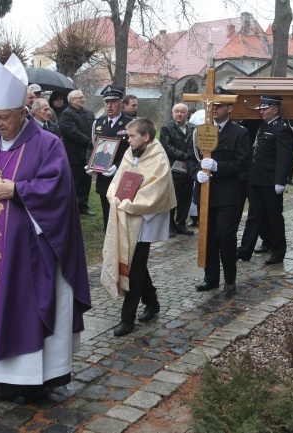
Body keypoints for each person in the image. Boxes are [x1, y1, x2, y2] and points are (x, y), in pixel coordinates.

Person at [0, 54, 91, 399]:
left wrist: (20, 191)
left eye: (3, 117)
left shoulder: (47, 144)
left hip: (31, 253)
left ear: (22, 113)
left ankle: (33, 380)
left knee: (24, 310)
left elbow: (59, 193)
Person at [100, 118, 176, 336]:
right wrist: (115, 196)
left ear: (146, 137)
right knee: (136, 262)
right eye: (128, 135)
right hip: (126, 211)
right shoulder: (129, 151)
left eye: (132, 136)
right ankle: (151, 301)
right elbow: (120, 178)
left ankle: (127, 318)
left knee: (136, 264)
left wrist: (131, 203)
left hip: (146, 216)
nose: (128, 139)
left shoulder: (158, 156)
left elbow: (157, 188)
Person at [189, 100, 249, 295]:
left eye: (219, 106)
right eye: (212, 106)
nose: (214, 109)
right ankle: (211, 278)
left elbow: (242, 164)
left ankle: (230, 279)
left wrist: (218, 166)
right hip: (205, 192)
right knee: (207, 237)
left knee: (225, 236)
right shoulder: (200, 132)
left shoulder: (240, 133)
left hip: (227, 195)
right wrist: (196, 172)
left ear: (230, 108)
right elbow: (191, 159)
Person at [238, 95, 293, 265]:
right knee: (254, 216)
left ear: (275, 110)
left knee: (274, 217)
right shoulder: (264, 125)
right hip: (256, 179)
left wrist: (280, 181)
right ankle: (245, 250)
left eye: (265, 108)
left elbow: (284, 157)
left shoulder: (282, 128)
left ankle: (278, 252)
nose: (261, 111)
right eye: (261, 108)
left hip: (270, 181)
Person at [91, 85, 134, 230]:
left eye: (113, 102)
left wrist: (118, 165)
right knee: (105, 204)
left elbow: (133, 150)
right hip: (104, 173)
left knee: (122, 206)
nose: (109, 105)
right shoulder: (98, 123)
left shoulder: (130, 123)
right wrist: (89, 163)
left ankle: (122, 236)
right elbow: (92, 146)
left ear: (121, 104)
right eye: (107, 102)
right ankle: (108, 236)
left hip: (122, 173)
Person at [160, 103, 196, 236]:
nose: (179, 114)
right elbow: (167, 147)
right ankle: (169, 226)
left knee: (186, 198)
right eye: (176, 112)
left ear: (187, 114)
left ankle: (181, 224)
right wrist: (185, 157)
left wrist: (190, 160)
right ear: (172, 113)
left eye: (182, 112)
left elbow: (197, 146)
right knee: (172, 198)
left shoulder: (194, 128)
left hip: (189, 168)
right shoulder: (166, 128)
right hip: (173, 169)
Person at [59, 90, 95, 215]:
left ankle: (83, 206)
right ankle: (73, 207)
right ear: (72, 100)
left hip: (89, 153)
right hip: (74, 154)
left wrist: (95, 142)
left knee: (86, 181)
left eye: (83, 97)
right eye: (80, 98)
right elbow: (71, 132)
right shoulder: (66, 114)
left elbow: (95, 130)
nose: (84, 99)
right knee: (75, 182)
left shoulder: (89, 113)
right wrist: (89, 142)